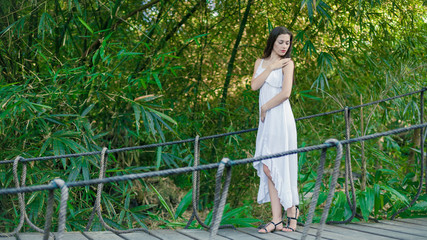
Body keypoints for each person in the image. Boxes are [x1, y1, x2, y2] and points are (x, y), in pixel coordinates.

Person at [251, 26, 299, 233]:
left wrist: (264, 107)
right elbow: (254, 86)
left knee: (277, 165)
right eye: (281, 42)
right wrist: (270, 67)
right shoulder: (260, 63)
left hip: (280, 118)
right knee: (267, 166)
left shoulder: (288, 64)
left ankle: (291, 212)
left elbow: (286, 93)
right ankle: (278, 219)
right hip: (267, 122)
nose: (284, 46)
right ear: (272, 42)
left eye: (287, 43)